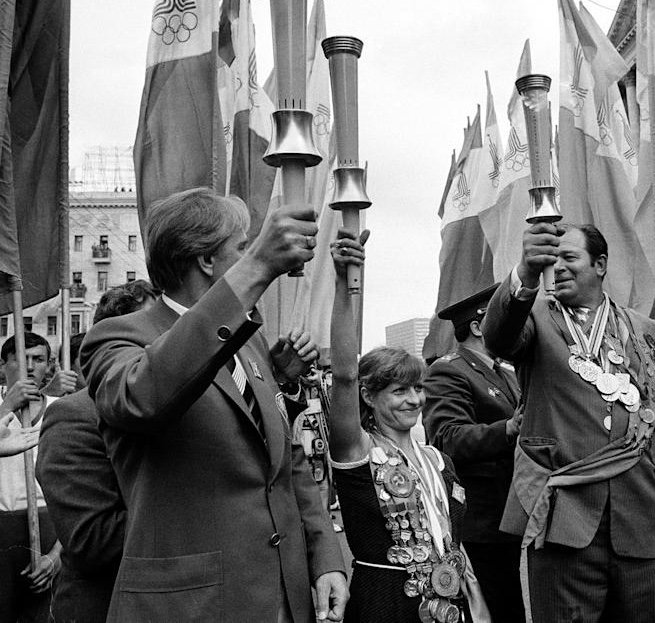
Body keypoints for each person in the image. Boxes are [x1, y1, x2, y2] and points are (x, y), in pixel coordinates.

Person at [80, 188, 347, 622]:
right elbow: (143, 398)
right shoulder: (118, 337)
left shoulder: (251, 341)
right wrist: (258, 267)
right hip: (193, 607)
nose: (251, 253)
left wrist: (324, 557)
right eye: (242, 247)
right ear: (206, 260)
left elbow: (286, 464)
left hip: (284, 599)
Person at [482, 222, 655, 622]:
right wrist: (526, 273)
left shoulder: (646, 330)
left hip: (640, 517)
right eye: (553, 259)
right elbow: (497, 337)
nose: (559, 267)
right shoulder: (534, 318)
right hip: (563, 523)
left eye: (570, 257)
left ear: (600, 264)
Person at [326, 229, 489, 623]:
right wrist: (344, 285)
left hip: (451, 604)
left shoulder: (437, 460)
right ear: (369, 396)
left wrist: (478, 600)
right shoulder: (358, 450)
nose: (414, 400)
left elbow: (450, 537)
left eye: (418, 388)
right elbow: (346, 374)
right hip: (385, 602)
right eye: (399, 390)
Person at [35, 280, 158, 623]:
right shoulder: (74, 414)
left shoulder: (174, 408)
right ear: (116, 338)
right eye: (156, 326)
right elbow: (90, 541)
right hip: (106, 608)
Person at [422, 284, 525, 623]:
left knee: (508, 601)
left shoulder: (505, 370)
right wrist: (507, 428)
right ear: (479, 326)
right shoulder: (447, 370)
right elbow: (446, 438)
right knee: (493, 607)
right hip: (481, 517)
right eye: (499, 318)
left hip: (508, 510)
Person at [0, 332, 63, 623]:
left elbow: (74, 491)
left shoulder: (62, 410)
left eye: (37, 359)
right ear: (3, 365)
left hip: (50, 525)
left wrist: (57, 555)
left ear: (48, 367)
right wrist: (7, 407)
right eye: (20, 359)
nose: (29, 366)